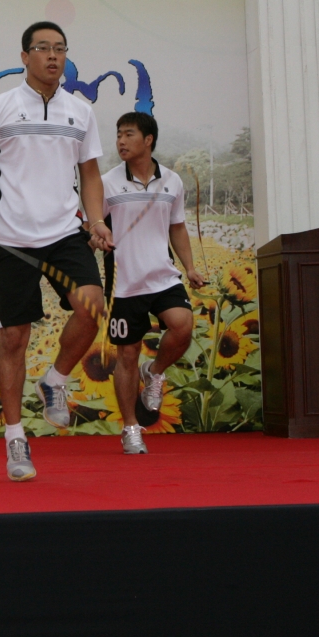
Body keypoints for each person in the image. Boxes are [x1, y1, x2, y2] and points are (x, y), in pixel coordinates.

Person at [0, 20, 113, 481]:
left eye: (61, 49)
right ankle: (15, 440)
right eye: (44, 48)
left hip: (65, 232)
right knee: (13, 338)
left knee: (92, 304)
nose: (53, 56)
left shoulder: (81, 112)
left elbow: (90, 174)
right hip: (13, 238)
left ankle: (55, 379)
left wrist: (96, 220)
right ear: (25, 56)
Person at [101, 112, 205, 455]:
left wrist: (189, 267)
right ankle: (132, 428)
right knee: (126, 355)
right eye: (118, 135)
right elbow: (91, 226)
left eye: (128, 134)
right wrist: (94, 238)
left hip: (162, 275)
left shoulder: (172, 181)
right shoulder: (106, 183)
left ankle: (156, 371)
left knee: (182, 325)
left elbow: (177, 227)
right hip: (124, 284)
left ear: (148, 140)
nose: (120, 141)